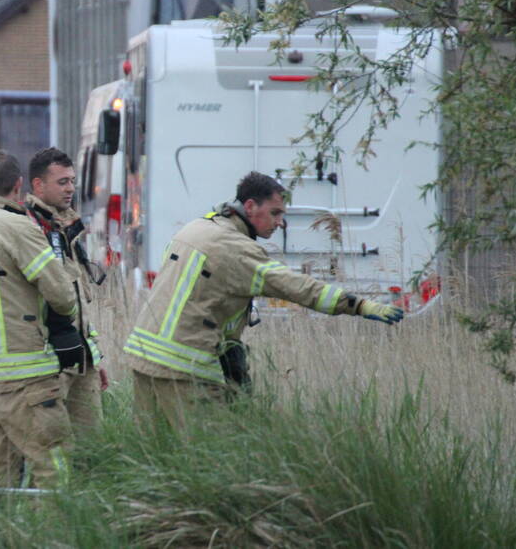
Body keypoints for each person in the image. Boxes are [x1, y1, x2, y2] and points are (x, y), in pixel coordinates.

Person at [124, 171, 405, 432]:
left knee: (152, 449)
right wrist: (359, 305)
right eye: (275, 213)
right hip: (184, 367)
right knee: (207, 453)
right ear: (249, 206)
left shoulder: (196, 228)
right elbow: (298, 287)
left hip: (144, 356)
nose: (280, 222)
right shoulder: (239, 250)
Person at [0, 150, 83, 488]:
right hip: (27, 372)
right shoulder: (18, 228)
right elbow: (63, 297)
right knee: (53, 461)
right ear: (19, 185)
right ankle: (55, 535)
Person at [24, 147, 108, 434]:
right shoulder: (28, 228)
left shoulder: (64, 226)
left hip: (80, 357)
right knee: (51, 441)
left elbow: (79, 299)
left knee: (92, 444)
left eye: (72, 181)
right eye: (62, 182)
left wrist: (92, 353)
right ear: (38, 185)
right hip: (51, 361)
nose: (71, 188)